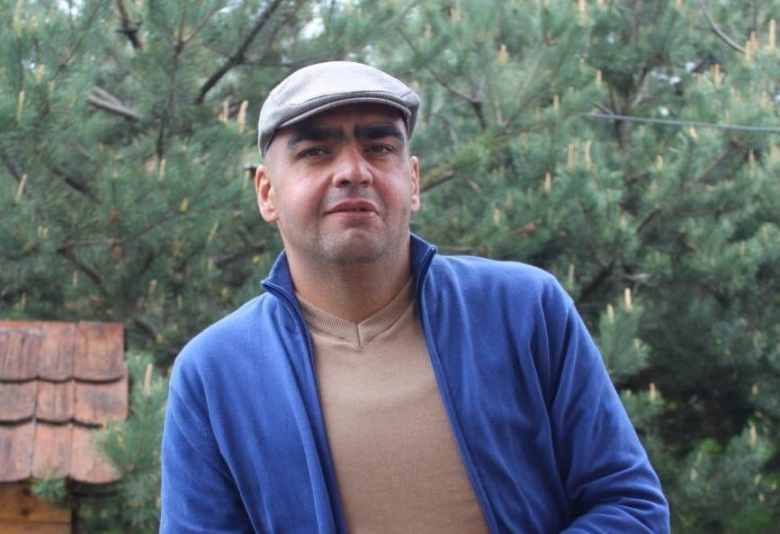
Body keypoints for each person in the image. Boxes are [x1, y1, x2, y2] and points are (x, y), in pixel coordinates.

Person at [160, 61, 670, 534]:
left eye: (380, 148)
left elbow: (630, 507)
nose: (354, 171)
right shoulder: (215, 373)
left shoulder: (524, 310)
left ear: (413, 180)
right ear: (267, 193)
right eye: (316, 152)